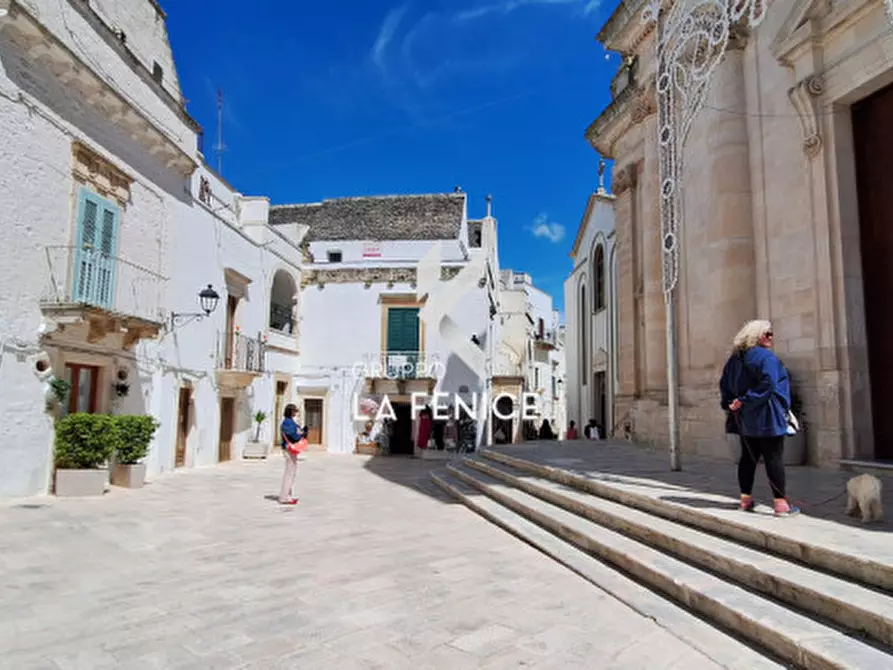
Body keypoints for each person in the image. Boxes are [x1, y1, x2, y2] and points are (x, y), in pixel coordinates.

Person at [720, 320, 799, 517]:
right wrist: (747, 400)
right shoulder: (766, 358)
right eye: (768, 334)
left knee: (748, 458)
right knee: (773, 457)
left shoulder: (734, 360)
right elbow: (768, 384)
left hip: (744, 418)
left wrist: (732, 403)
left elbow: (724, 385)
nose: (771, 338)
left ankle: (745, 500)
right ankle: (781, 505)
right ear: (758, 336)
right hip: (767, 414)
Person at [279, 403, 303, 505]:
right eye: (294, 411)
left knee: (292, 473)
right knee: (289, 473)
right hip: (289, 450)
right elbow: (293, 435)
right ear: (290, 411)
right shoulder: (287, 422)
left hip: (291, 450)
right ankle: (284, 497)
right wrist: (300, 435)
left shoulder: (290, 422)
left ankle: (288, 496)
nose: (295, 413)